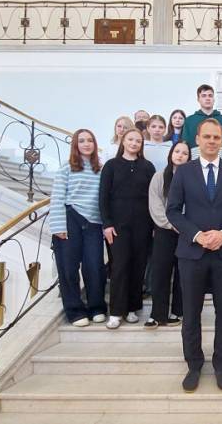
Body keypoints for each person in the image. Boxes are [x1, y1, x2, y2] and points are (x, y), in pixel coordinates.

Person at [166, 118, 222, 393]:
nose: (212, 141)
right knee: (191, 312)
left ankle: (221, 364)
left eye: (216, 137)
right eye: (207, 137)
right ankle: (194, 365)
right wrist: (197, 235)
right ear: (198, 140)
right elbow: (173, 210)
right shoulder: (184, 172)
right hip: (192, 253)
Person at [100, 128, 156, 329]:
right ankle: (116, 312)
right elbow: (103, 196)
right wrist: (107, 224)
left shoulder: (148, 167)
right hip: (117, 227)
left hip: (143, 225)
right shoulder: (111, 166)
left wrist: (153, 225)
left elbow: (153, 198)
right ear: (123, 141)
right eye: (130, 139)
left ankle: (132, 308)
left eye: (138, 141)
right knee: (120, 267)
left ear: (141, 145)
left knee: (138, 267)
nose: (134, 143)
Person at [50, 129, 106, 327]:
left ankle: (97, 308)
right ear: (76, 145)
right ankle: (75, 311)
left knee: (94, 266)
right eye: (82, 141)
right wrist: (58, 226)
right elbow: (57, 198)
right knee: (68, 268)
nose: (86, 144)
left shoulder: (101, 169)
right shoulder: (66, 168)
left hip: (94, 223)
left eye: (90, 140)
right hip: (70, 218)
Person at [146, 140, 190, 329]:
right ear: (171, 153)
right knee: (160, 273)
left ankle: (178, 312)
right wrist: (170, 224)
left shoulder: (192, 178)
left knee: (182, 273)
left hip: (186, 232)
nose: (180, 155)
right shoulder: (158, 177)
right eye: (177, 151)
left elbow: (194, 205)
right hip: (164, 231)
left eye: (184, 153)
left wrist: (184, 226)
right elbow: (155, 205)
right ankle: (157, 314)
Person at [181, 84, 222, 160]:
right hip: (195, 161)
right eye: (204, 96)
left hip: (220, 161)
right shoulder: (189, 121)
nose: (207, 98)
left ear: (214, 99)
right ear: (198, 99)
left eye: (210, 96)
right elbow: (185, 144)